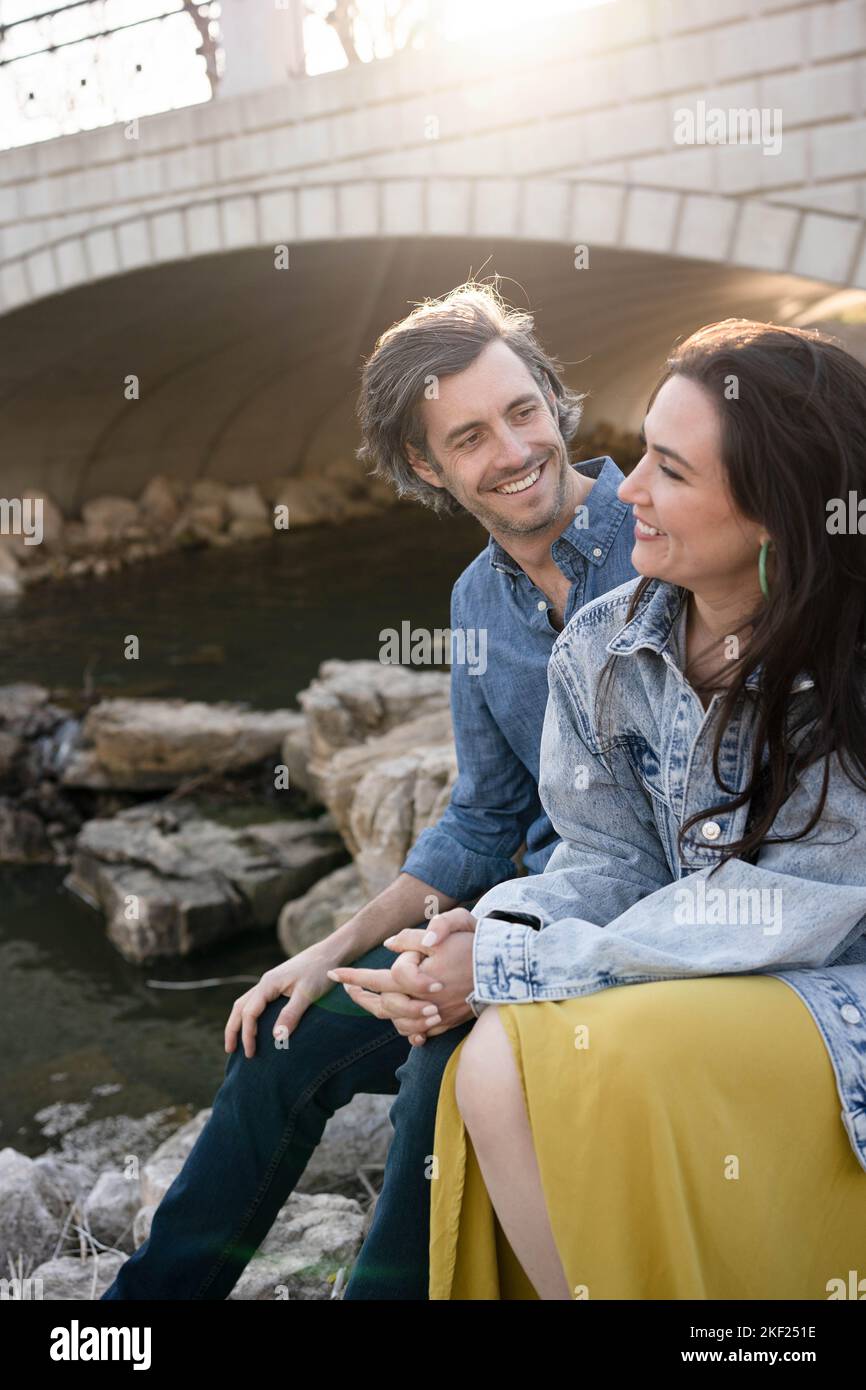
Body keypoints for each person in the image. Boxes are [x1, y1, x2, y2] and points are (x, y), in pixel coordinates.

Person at [100, 280, 636, 1300]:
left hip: (596, 934)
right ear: (427, 465)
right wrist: (327, 947)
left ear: (554, 401)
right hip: (492, 918)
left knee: (438, 1066)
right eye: (470, 436)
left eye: (523, 412)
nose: (514, 450)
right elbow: (479, 819)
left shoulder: (659, 542)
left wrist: (484, 952)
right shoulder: (475, 600)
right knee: (278, 1035)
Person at [359, 318, 866, 1300]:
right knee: (491, 1062)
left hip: (831, 982)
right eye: (639, 453)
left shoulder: (843, 655)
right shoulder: (599, 644)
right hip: (696, 968)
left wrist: (505, 965)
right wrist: (479, 931)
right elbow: (602, 860)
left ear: (772, 510)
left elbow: (792, 906)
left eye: (667, 471)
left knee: (526, 1049)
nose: (624, 489)